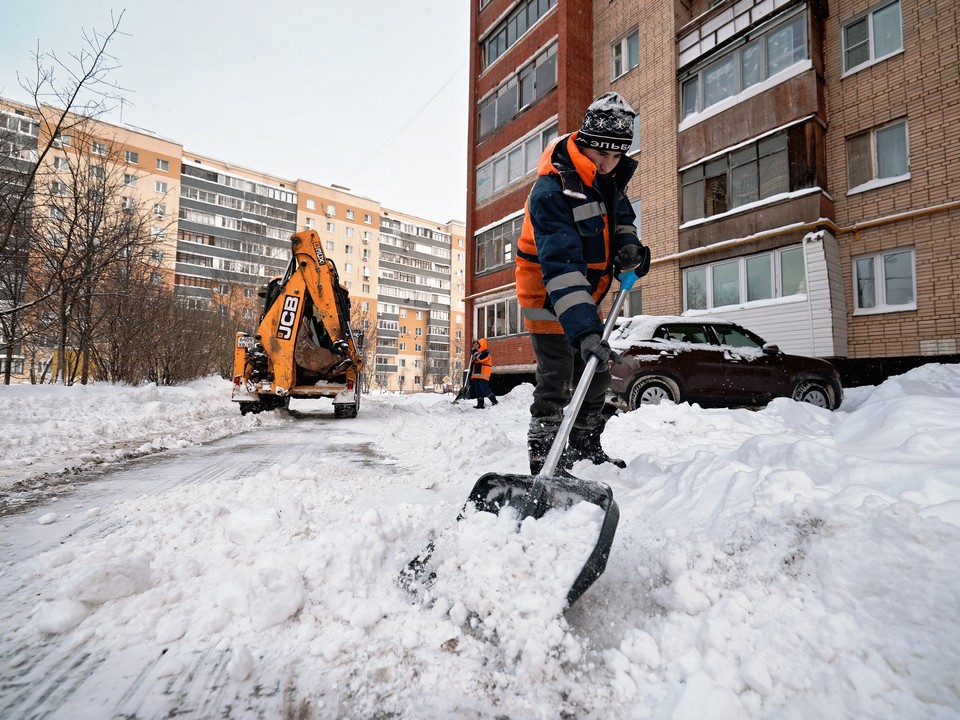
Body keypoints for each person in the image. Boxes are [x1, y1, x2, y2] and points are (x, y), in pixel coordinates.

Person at [515, 92, 651, 474]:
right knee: (556, 377)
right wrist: (585, 329)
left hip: (584, 297)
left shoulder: (607, 178)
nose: (608, 165)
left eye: (616, 156)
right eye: (601, 155)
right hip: (548, 292)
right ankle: (544, 456)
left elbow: (622, 218)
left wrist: (628, 248)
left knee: (598, 374)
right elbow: (561, 266)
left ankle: (584, 445)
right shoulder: (550, 191)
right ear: (584, 142)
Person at [469, 338, 498, 409]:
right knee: (478, 390)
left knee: (484, 388)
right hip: (477, 375)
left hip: (483, 375)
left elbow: (481, 359)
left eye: (479, 345)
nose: (478, 346)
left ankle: (494, 401)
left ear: (482, 345)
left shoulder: (486, 353)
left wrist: (475, 352)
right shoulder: (479, 353)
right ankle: (480, 404)